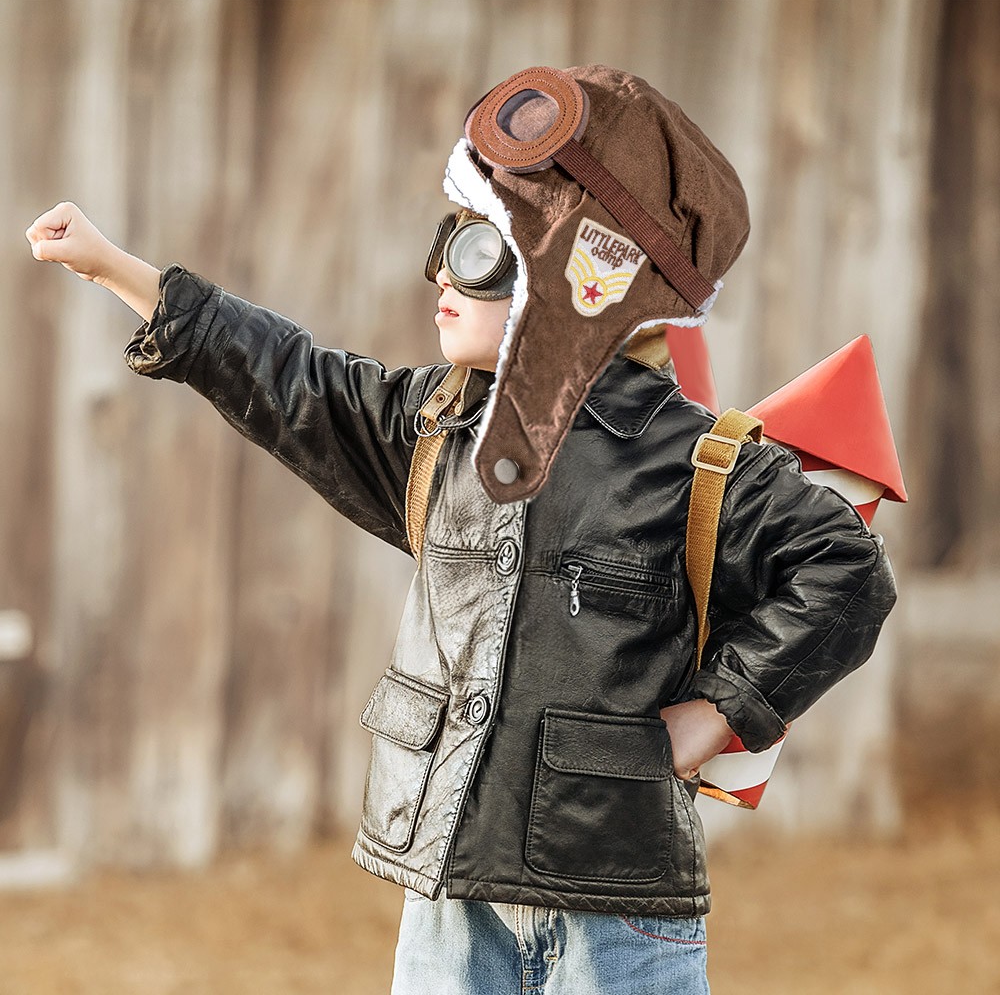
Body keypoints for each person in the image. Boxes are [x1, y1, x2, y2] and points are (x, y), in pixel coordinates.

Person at [25, 65, 897, 995]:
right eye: (447, 241)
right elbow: (290, 379)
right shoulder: (433, 429)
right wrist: (116, 268)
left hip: (616, 908)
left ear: (581, 278)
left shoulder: (694, 460)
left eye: (482, 247)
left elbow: (846, 571)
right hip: (449, 899)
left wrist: (717, 714)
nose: (442, 274)